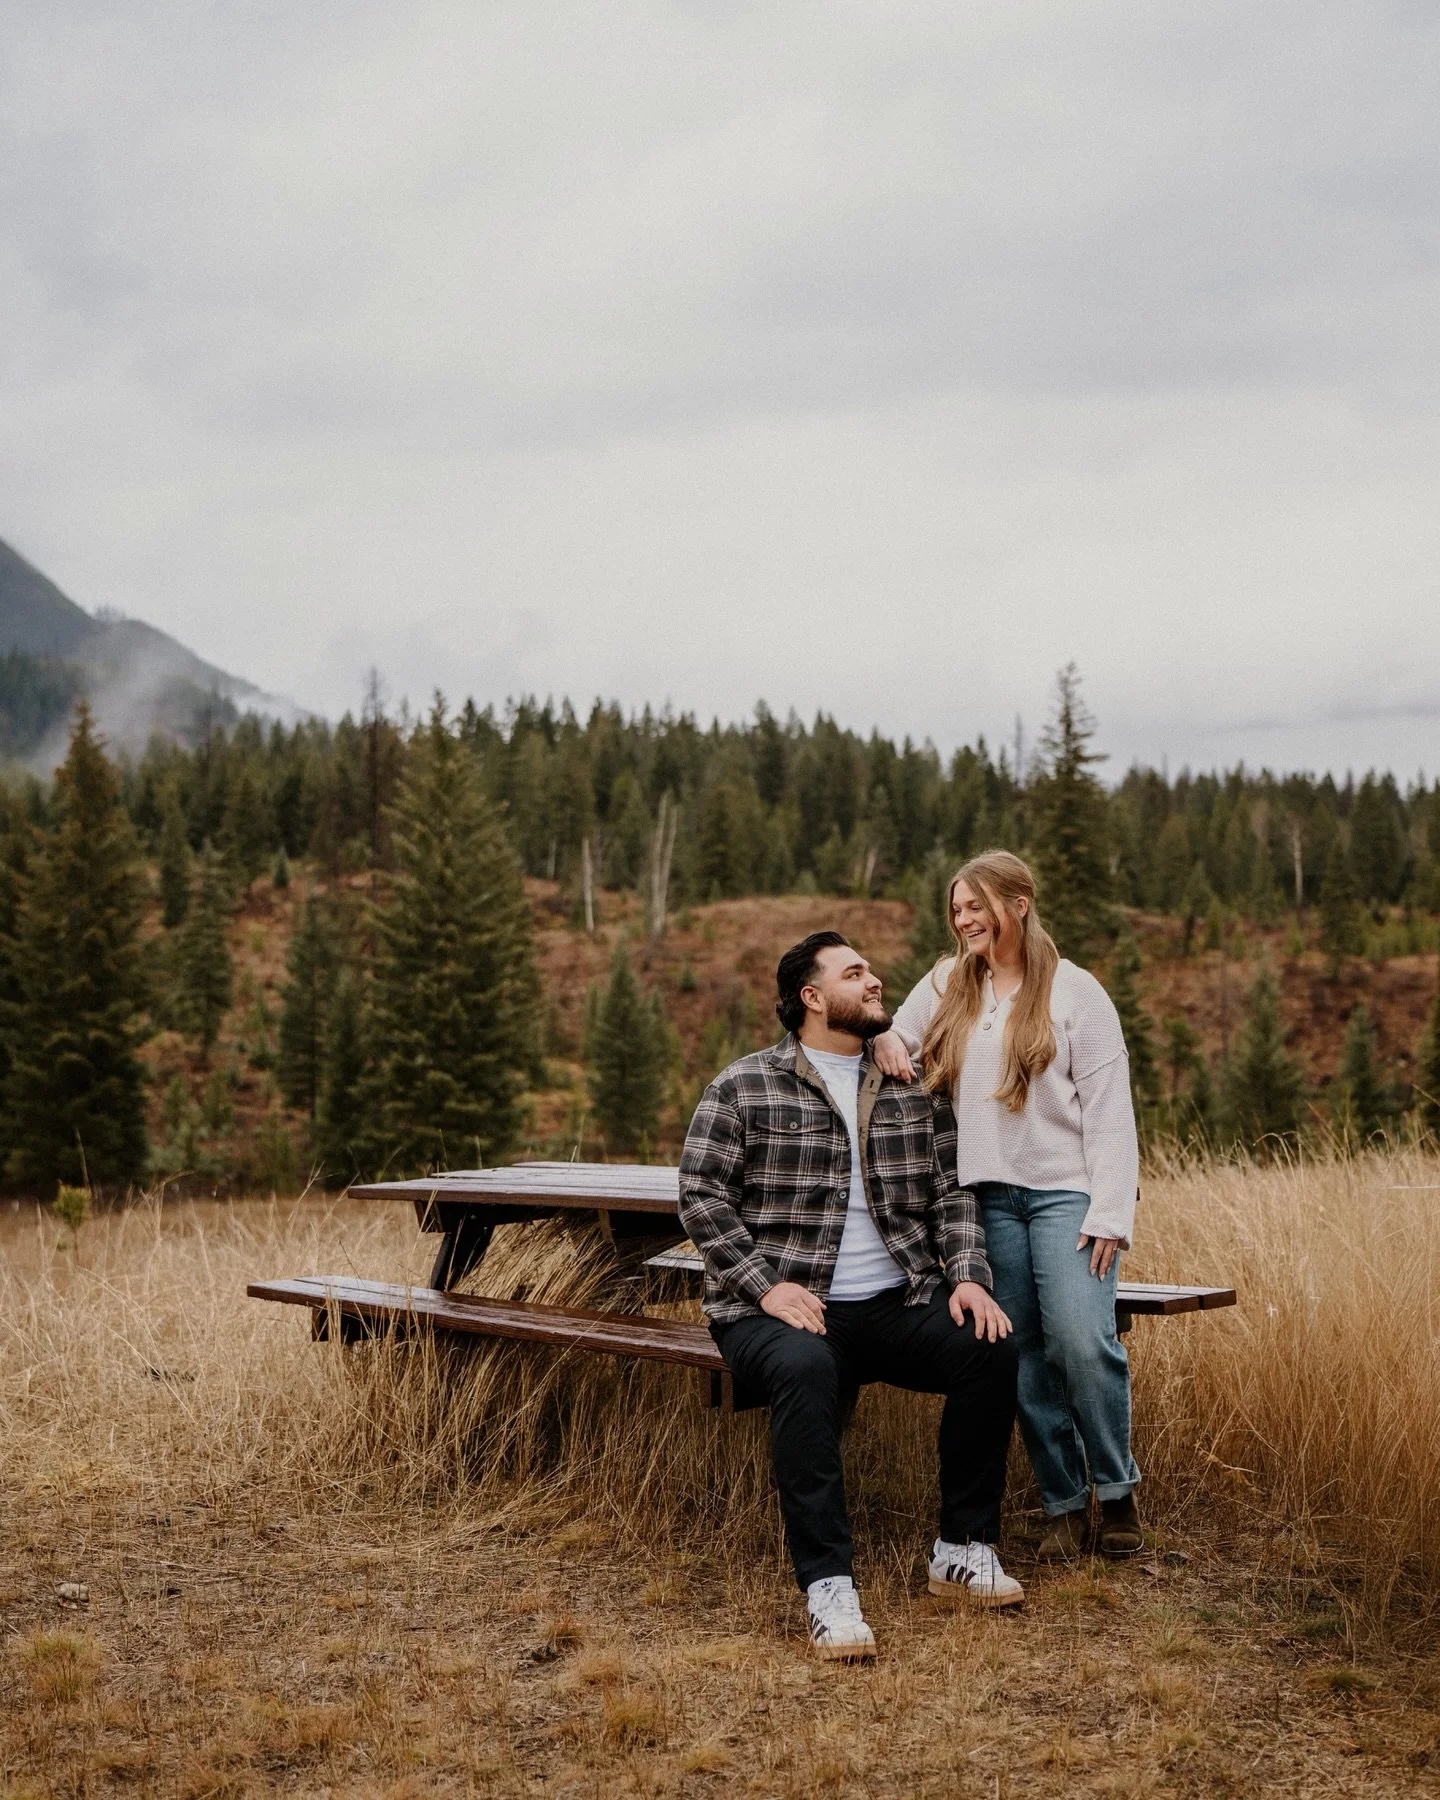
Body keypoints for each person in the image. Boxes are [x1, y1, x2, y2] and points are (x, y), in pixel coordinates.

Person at [679, 930, 1023, 1662]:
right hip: (776, 1307)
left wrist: (966, 1275)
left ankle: (961, 1548)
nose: (875, 982)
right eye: (855, 973)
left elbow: (952, 1192)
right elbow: (701, 1196)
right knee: (804, 1369)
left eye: (871, 971)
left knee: (989, 1345)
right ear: (811, 997)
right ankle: (828, 1586)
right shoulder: (744, 1086)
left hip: (895, 1300)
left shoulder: (911, 1082)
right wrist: (766, 1289)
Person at [871, 851, 1143, 1561]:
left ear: (1018, 904)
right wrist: (881, 1036)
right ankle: (1061, 1504)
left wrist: (1110, 1212)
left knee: (1084, 1343)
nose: (963, 920)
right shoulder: (947, 983)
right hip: (983, 1197)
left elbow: (1112, 1111)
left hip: (1066, 1199)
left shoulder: (1078, 994)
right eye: (955, 909)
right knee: (1015, 1355)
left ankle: (1115, 1494)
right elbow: (895, 1036)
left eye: (975, 907)